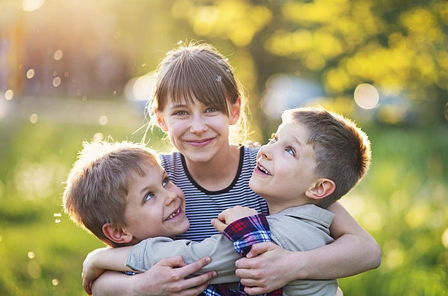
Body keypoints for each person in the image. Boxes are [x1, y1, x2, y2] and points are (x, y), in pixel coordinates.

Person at [90, 42, 381, 296]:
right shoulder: (156, 180)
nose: (198, 126)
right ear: (161, 119)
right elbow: (100, 283)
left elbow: (366, 251)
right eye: (181, 113)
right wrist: (136, 288)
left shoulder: (270, 171)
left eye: (211, 110)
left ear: (234, 110)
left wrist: (292, 265)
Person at [63, 141, 275, 295]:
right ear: (118, 232)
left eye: (165, 181)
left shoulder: (119, 268)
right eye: (149, 196)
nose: (171, 195)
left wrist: (99, 259)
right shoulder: (148, 274)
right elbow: (223, 255)